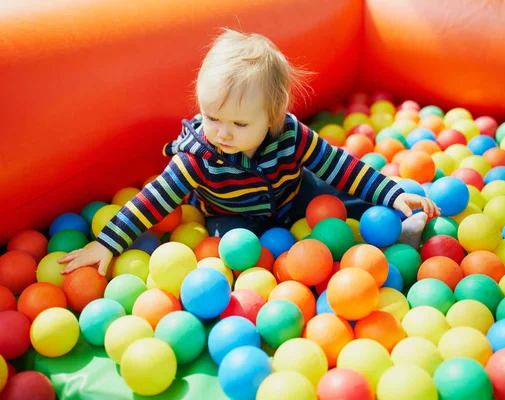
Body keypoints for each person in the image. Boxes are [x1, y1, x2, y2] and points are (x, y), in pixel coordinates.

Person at [59, 28, 440, 276]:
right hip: (231, 212)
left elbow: (340, 165)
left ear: (272, 118)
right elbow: (153, 199)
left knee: (332, 194)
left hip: (295, 195)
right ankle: (293, 273)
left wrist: (390, 191)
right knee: (236, 249)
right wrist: (107, 242)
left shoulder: (291, 135)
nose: (222, 133)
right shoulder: (198, 156)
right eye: (212, 117)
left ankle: (400, 217)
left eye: (240, 125)